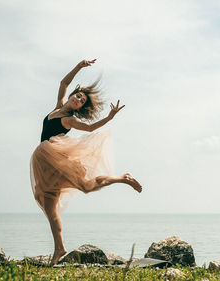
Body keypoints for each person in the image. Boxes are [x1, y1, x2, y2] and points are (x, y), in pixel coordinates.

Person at [30, 58, 142, 265]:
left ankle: (122, 178)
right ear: (72, 95)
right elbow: (63, 83)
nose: (79, 99)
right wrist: (79, 66)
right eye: (78, 96)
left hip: (56, 160)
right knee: (49, 207)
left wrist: (109, 117)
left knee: (87, 186)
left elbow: (90, 129)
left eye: (82, 101)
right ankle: (59, 249)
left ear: (80, 107)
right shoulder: (57, 108)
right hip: (43, 164)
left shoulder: (70, 120)